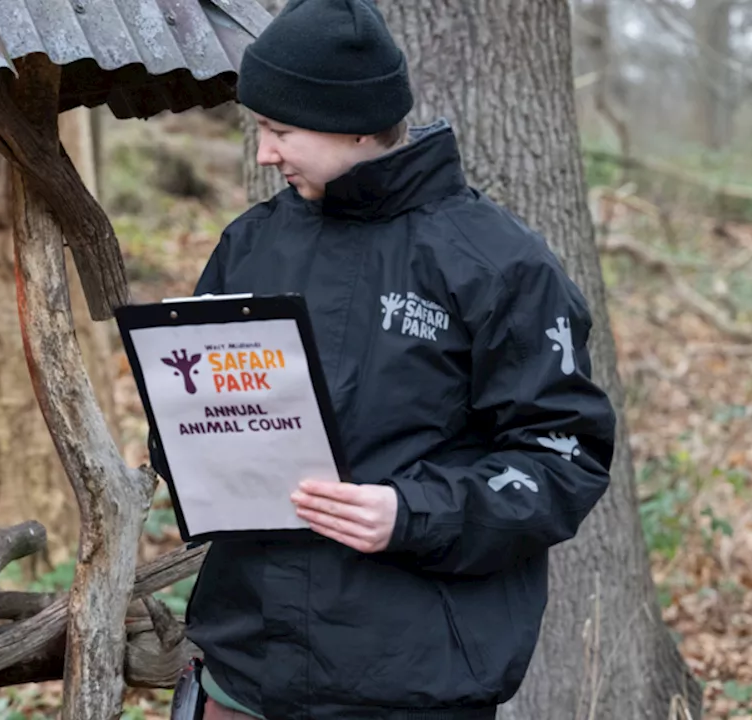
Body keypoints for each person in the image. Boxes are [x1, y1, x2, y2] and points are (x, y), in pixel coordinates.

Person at [147, 0, 618, 718]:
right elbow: (189, 411)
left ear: (354, 123)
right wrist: (186, 441)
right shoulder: (252, 243)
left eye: (280, 130)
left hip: (413, 680)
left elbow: (562, 459)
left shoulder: (497, 264)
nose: (265, 152)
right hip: (246, 667)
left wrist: (410, 513)